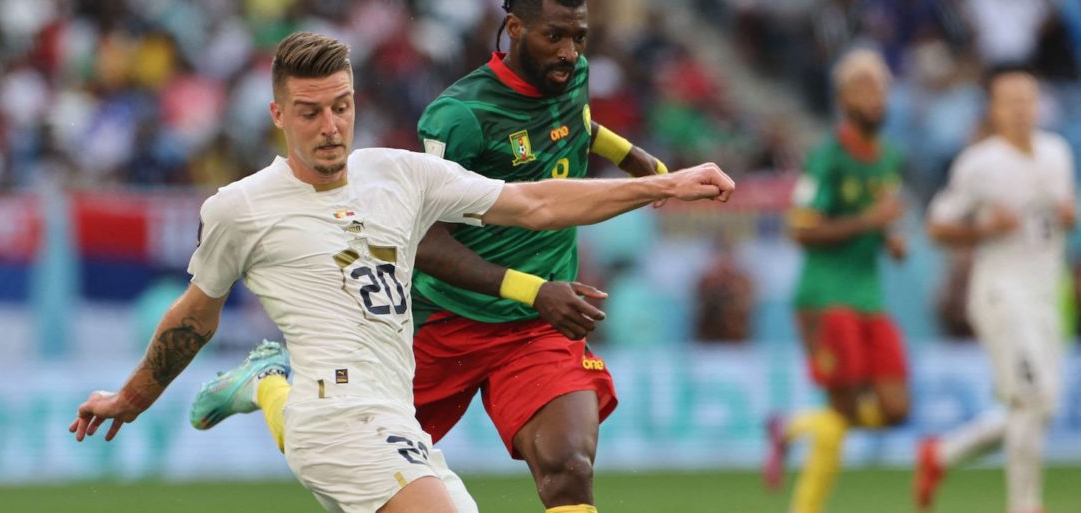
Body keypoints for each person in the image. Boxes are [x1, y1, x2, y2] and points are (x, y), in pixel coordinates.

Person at [69, 31, 735, 513]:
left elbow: (534, 203)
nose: (330, 126)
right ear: (277, 115)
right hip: (337, 421)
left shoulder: (398, 174)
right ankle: (276, 387)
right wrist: (130, 398)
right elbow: (194, 315)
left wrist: (664, 184)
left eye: (341, 106)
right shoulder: (239, 208)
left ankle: (268, 384)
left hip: (396, 419)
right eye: (309, 112)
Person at [192, 2, 674, 512]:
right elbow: (424, 240)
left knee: (569, 465)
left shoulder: (570, 72)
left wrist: (628, 155)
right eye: (556, 36)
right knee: (337, 438)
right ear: (515, 29)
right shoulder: (458, 116)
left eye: (579, 37)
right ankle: (269, 385)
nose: (569, 52)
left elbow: (572, 122)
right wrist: (531, 289)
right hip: (442, 321)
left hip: (535, 325)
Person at [917, 66, 1075, 513]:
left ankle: (942, 454)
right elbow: (936, 227)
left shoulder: (1057, 152)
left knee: (1040, 407)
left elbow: (1060, 216)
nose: (1022, 109)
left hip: (1047, 292)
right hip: (1002, 290)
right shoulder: (979, 164)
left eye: (1029, 99)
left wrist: (1070, 215)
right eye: (1012, 101)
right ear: (995, 110)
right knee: (1032, 398)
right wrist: (986, 228)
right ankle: (1025, 505)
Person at [764, 48, 911, 513]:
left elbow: (880, 214)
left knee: (895, 409)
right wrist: (870, 222)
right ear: (843, 98)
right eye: (864, 88)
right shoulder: (825, 157)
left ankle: (791, 427)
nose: (876, 97)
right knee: (843, 411)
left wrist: (890, 238)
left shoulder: (890, 158)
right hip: (825, 296)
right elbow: (800, 228)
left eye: (881, 88)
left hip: (869, 296)